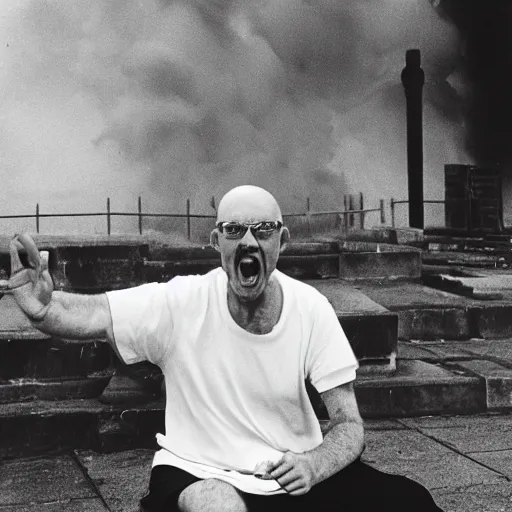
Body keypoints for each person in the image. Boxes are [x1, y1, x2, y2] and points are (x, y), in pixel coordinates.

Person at [1, 185, 443, 512]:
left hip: (290, 472)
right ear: (217, 243)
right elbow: (97, 314)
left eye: (262, 230)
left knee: (412, 501)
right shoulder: (181, 301)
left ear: (282, 242)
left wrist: (313, 465)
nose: (248, 241)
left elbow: (350, 426)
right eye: (234, 230)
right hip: (199, 469)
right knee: (218, 506)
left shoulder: (311, 309)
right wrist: (44, 308)